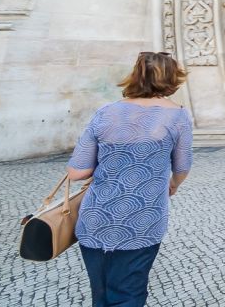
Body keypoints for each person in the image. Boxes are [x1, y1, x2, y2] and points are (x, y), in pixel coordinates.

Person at [66, 52, 193, 307]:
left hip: (96, 217)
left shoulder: (106, 112)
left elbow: (76, 172)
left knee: (99, 294)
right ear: (172, 79)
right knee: (129, 294)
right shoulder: (178, 116)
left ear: (134, 76)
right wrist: (173, 185)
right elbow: (182, 167)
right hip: (142, 220)